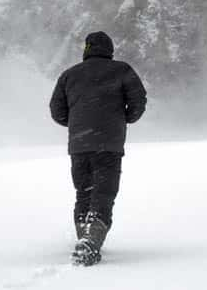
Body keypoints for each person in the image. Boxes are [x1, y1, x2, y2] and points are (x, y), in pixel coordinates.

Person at [48, 30, 148, 266]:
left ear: (86, 50)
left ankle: (85, 236)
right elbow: (138, 101)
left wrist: (77, 123)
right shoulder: (122, 70)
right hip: (109, 145)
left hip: (79, 145)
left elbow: (56, 111)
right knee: (103, 193)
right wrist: (123, 118)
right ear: (110, 50)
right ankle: (90, 243)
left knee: (84, 192)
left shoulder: (69, 75)